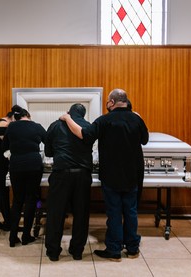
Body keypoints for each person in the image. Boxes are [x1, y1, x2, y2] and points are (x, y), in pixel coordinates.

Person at [60, 88, 149, 262]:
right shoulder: (136, 119)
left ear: (112, 103)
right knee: (131, 211)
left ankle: (114, 250)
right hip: (132, 174)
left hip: (112, 174)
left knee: (114, 212)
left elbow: (84, 135)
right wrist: (138, 118)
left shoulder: (104, 120)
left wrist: (67, 118)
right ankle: (132, 248)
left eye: (108, 102)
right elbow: (144, 140)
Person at [44, 103, 94, 262]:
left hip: (61, 174)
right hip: (83, 175)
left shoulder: (56, 125)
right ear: (83, 114)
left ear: (69, 113)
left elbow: (48, 151)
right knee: (81, 213)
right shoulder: (88, 126)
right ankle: (77, 251)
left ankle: (53, 251)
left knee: (56, 213)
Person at [2, 108, 46, 247]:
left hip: (16, 165)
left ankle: (13, 237)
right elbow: (49, 143)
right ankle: (26, 236)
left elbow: (4, 146)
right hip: (34, 164)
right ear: (28, 116)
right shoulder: (37, 126)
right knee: (31, 199)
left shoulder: (11, 127)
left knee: (17, 200)